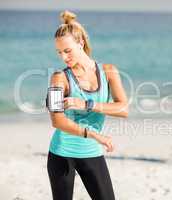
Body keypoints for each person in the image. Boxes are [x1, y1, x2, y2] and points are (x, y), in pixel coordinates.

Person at [46, 10, 128, 200]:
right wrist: (93, 134)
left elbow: (123, 109)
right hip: (61, 154)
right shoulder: (59, 78)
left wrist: (86, 103)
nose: (64, 57)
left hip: (91, 153)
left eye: (68, 51)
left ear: (81, 43)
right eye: (59, 53)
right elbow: (57, 121)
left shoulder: (108, 71)